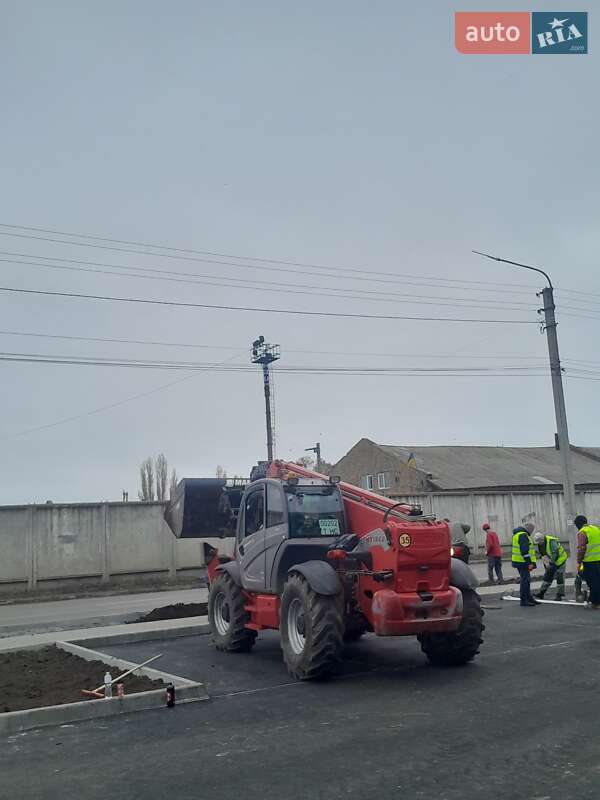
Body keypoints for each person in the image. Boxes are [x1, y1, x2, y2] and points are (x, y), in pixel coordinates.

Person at [532, 531, 567, 601]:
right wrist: (546, 565)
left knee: (560, 578)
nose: (538, 544)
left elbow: (555, 553)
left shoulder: (551, 541)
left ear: (541, 539)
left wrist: (550, 563)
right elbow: (543, 554)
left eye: (539, 542)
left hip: (560, 561)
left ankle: (559, 595)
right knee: (547, 576)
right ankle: (541, 593)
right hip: (551, 561)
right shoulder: (540, 544)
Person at [575, 515, 600, 609]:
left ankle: (596, 602)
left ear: (578, 524)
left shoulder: (582, 532)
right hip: (599, 559)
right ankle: (593, 599)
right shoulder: (595, 529)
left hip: (590, 561)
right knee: (598, 580)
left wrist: (579, 561)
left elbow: (581, 548)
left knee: (593, 582)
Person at [511, 522, 538, 607]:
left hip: (520, 561)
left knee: (526, 580)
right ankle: (524, 600)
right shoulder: (523, 535)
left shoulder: (519, 534)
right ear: (530, 530)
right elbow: (524, 551)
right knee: (525, 581)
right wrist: (529, 563)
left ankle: (529, 598)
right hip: (522, 562)